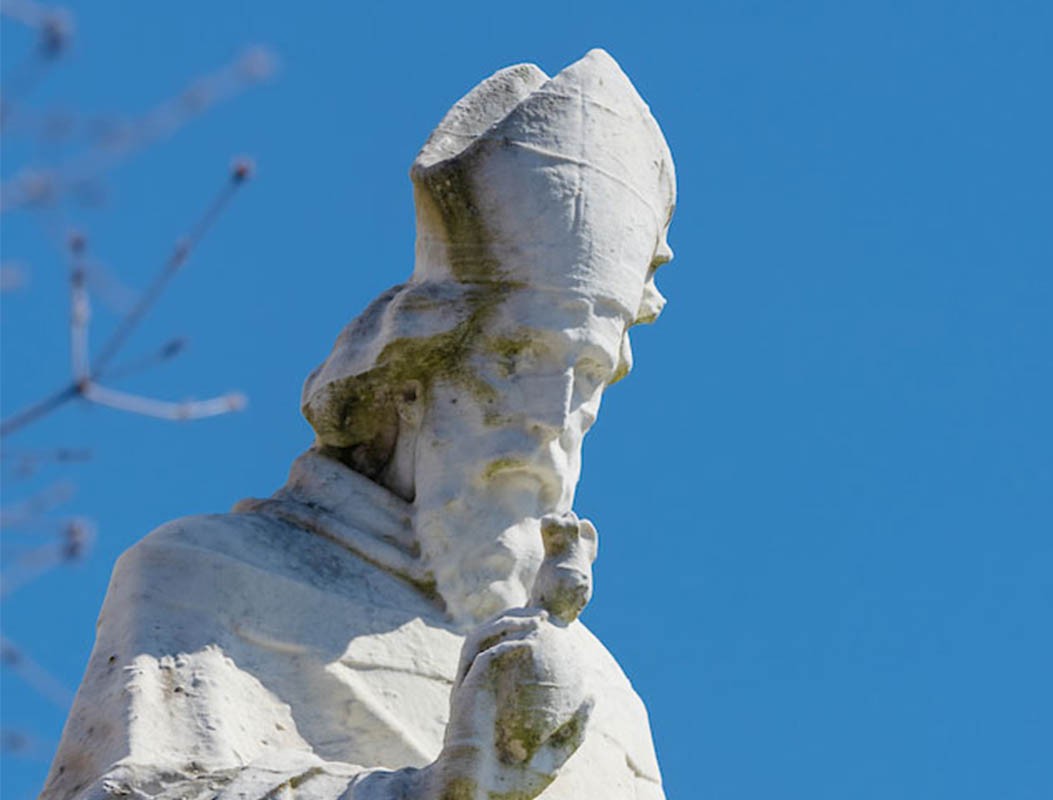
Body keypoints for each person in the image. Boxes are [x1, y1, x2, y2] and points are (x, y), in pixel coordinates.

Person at [41, 49, 675, 800]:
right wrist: (425, 792)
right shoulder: (208, 577)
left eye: (588, 375)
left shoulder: (610, 708)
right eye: (519, 356)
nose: (551, 415)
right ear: (413, 373)